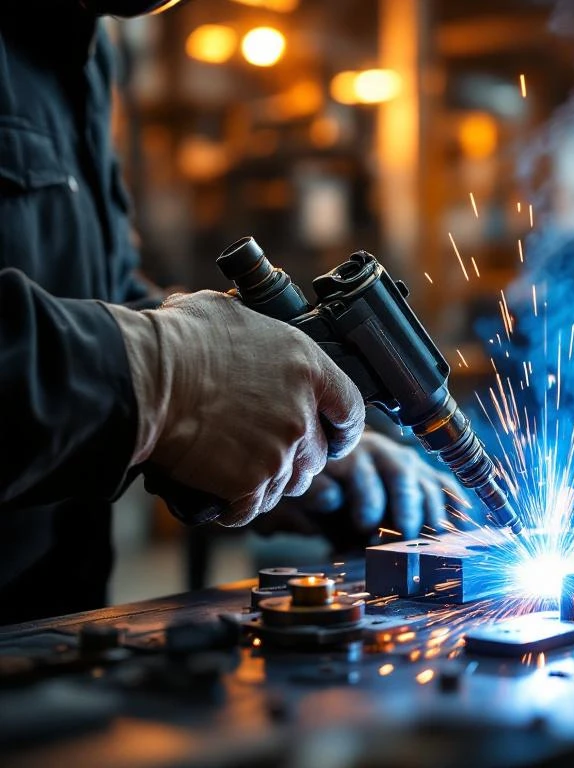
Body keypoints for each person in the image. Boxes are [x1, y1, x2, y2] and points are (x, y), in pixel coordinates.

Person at [0, 0, 453, 624]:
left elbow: (97, 292)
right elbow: (144, 359)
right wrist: (168, 377)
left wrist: (283, 417)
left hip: (42, 622)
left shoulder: (84, 44)